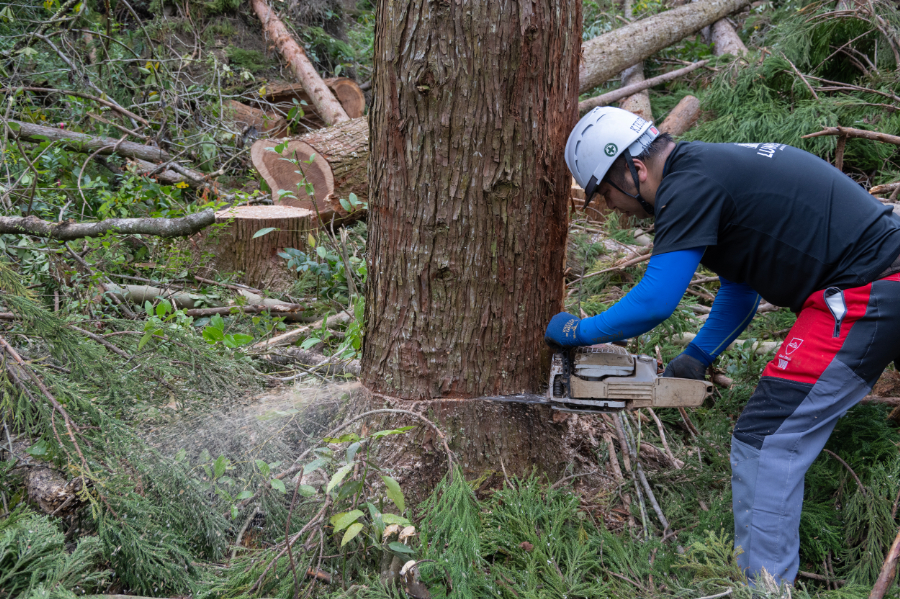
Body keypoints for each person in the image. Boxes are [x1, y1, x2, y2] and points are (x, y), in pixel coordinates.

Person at [545, 106, 900, 585]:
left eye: (605, 193)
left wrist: (576, 332)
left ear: (635, 169)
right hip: (878, 281)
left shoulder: (687, 187)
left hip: (863, 294)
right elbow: (741, 285)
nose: (610, 207)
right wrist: (699, 355)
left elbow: (655, 300)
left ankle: (765, 592)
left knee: (766, 439)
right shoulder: (707, 169)